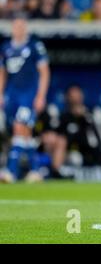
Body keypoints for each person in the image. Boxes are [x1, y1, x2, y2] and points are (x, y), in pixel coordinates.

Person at [0, 18, 50, 183]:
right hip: (12, 95)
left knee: (19, 127)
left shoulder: (35, 46)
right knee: (26, 133)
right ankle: (35, 171)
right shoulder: (5, 48)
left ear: (26, 28)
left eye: (21, 26)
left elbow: (44, 72)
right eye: (16, 26)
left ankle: (10, 171)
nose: (19, 29)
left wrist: (41, 96)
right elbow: (2, 74)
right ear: (12, 29)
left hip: (28, 95)